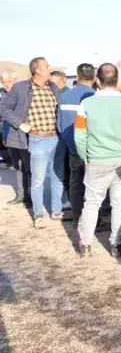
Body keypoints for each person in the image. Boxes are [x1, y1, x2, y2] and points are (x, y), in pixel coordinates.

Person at [75, 63, 121, 258]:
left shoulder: (86, 104)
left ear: (97, 80)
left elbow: (80, 136)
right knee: (119, 204)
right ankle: (116, 244)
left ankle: (86, 245)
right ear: (116, 81)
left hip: (96, 160)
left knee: (92, 203)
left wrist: (85, 156)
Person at [0, 57, 67, 228]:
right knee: (38, 180)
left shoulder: (53, 87)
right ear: (37, 70)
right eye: (46, 66)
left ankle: (57, 211)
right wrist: (20, 123)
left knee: (58, 176)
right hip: (37, 139)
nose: (49, 68)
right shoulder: (21, 88)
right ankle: (38, 215)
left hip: (56, 138)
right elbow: (4, 108)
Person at [57, 63, 102, 224]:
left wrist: (70, 144)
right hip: (92, 149)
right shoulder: (96, 96)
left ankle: (77, 216)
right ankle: (94, 221)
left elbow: (60, 125)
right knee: (93, 186)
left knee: (75, 183)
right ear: (94, 78)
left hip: (73, 148)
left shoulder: (65, 96)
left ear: (77, 78)